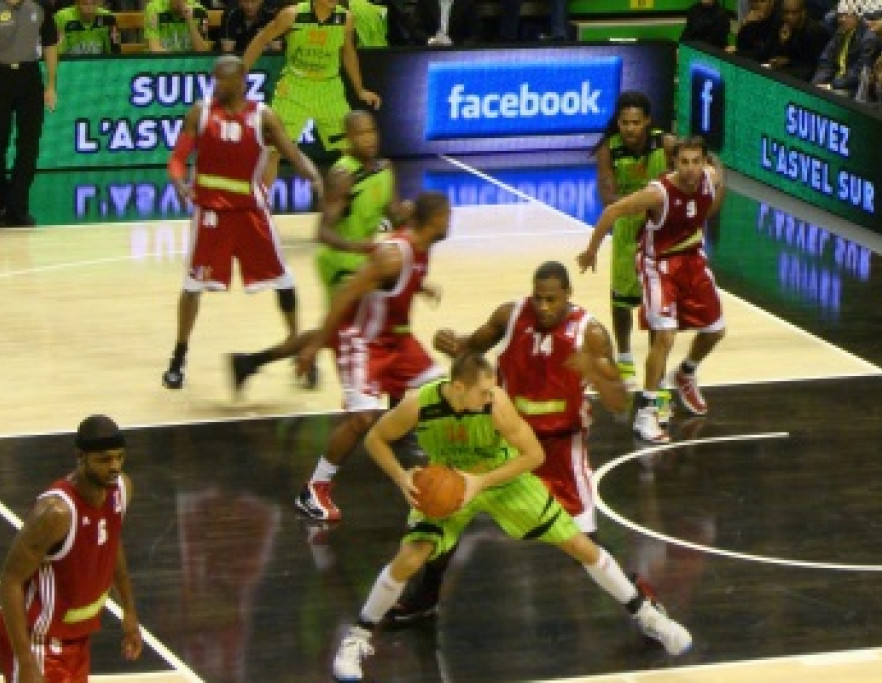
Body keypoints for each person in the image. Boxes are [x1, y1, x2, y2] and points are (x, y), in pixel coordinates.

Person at [330, 353, 692, 681]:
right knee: (411, 557)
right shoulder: (419, 404)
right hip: (449, 481)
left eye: (493, 390)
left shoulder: (496, 406)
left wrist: (481, 482)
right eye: (484, 392)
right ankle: (357, 639)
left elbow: (533, 455)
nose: (492, 396)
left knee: (579, 544)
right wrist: (401, 476)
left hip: (501, 478)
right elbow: (375, 438)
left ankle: (649, 617)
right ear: (458, 388)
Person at [386, 261, 631, 622]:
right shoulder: (511, 315)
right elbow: (470, 349)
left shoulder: (590, 334)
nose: (544, 307)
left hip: (558, 448)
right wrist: (453, 343)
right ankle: (427, 594)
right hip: (502, 440)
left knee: (584, 544)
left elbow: (620, 403)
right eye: (538, 298)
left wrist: (595, 372)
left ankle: (637, 596)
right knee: (446, 506)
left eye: (552, 299)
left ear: (568, 295)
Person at [161, 56, 324, 390]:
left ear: (242, 81)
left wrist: (316, 178)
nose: (218, 86)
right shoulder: (200, 112)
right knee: (192, 287)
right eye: (215, 80)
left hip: (251, 212)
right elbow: (177, 158)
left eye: (225, 81)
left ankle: (297, 349)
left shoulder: (263, 117)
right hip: (210, 213)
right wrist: (179, 184)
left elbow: (293, 153)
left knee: (284, 281)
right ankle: (179, 356)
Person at [291, 191, 452, 522]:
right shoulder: (393, 256)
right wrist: (314, 346)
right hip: (364, 341)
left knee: (444, 393)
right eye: (446, 215)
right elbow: (346, 294)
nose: (450, 221)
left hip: (399, 340)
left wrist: (422, 287)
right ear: (431, 220)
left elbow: (403, 280)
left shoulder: (423, 248)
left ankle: (447, 471)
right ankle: (314, 489)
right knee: (361, 418)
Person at [229, 109, 409, 391]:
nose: (368, 139)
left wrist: (408, 214)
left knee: (340, 328)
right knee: (340, 328)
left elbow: (394, 213)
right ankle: (261, 361)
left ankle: (251, 363)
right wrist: (359, 246)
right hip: (339, 261)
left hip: (366, 261)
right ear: (348, 139)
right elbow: (322, 232)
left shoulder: (385, 169)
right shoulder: (343, 175)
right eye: (360, 134)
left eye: (371, 131)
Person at [577, 137, 728, 443]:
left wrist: (717, 179)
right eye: (683, 162)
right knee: (665, 335)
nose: (689, 168)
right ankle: (646, 413)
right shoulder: (657, 194)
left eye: (695, 161)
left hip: (692, 260)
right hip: (658, 265)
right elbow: (612, 212)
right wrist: (591, 250)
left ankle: (685, 374)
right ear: (674, 163)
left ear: (703, 163)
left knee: (715, 330)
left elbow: (718, 180)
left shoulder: (710, 178)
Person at [0, 414, 142, 683]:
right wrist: (26, 661)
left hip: (78, 639)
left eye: (119, 457)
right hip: (39, 640)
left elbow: (111, 544)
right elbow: (9, 581)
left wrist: (129, 611)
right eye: (104, 459)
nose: (114, 466)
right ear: (80, 456)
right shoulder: (56, 513)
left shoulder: (121, 490)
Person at [242, 0, 381, 191]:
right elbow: (262, 39)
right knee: (273, 149)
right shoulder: (292, 15)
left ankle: (357, 200)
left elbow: (348, 52)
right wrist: (241, 72)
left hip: (329, 87)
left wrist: (360, 89)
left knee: (351, 148)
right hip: (294, 86)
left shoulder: (345, 18)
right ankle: (261, 205)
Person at [591, 91, 677, 389]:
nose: (629, 128)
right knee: (621, 300)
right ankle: (625, 358)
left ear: (647, 122)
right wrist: (644, 202)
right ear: (618, 122)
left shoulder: (665, 144)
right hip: (627, 228)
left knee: (657, 306)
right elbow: (608, 196)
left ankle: (659, 366)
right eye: (625, 122)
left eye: (635, 122)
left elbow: (691, 164)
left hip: (659, 230)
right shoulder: (608, 149)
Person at [0, 0, 59, 227]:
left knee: (29, 143)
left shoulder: (40, 6)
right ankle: (0, 203)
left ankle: (18, 204)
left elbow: (50, 45)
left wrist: (51, 84)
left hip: (29, 76)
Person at [54, 0, 121, 54]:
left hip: (98, 65)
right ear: (77, 3)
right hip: (71, 65)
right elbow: (58, 54)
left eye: (93, 3)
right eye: (84, 4)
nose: (89, 8)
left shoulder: (107, 18)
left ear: (99, 4)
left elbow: (114, 53)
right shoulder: (62, 17)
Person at [144, 0, 210, 52]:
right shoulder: (154, 9)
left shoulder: (200, 11)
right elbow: (155, 49)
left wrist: (190, 21)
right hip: (164, 62)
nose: (178, 3)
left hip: (190, 63)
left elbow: (202, 51)